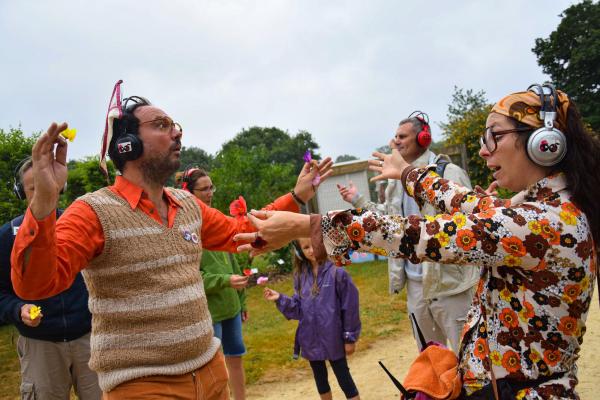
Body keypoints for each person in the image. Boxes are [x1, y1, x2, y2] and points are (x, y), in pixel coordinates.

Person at [234, 84, 600, 398]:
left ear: (543, 144)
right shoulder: (546, 210)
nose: (485, 149)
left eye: (494, 135)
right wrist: (408, 173)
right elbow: (472, 203)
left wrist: (309, 224)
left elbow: (419, 235)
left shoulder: (541, 222)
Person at [10, 83, 332, 399]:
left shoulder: (187, 204)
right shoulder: (93, 211)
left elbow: (240, 230)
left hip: (211, 373)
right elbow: (36, 285)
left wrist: (296, 196)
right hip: (143, 388)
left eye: (175, 125)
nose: (177, 133)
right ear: (127, 144)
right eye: (162, 125)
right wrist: (43, 204)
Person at [337, 111, 478, 354]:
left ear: (423, 139)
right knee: (431, 359)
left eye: (403, 136)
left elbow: (470, 225)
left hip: (450, 286)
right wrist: (358, 200)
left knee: (466, 354)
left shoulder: (448, 173)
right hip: (415, 285)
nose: (396, 142)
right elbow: (391, 221)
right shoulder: (396, 181)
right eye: (395, 136)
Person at [0, 157, 101, 400]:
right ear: (21, 192)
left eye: (47, 183)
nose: (42, 191)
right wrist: (18, 309)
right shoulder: (7, 236)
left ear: (59, 185)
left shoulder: (78, 225)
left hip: (89, 339)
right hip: (40, 346)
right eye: (33, 187)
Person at [177, 167, 250, 400]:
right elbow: (192, 276)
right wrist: (225, 281)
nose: (210, 193)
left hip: (231, 308)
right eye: (204, 189)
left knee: (236, 358)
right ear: (188, 191)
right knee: (213, 369)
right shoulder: (184, 228)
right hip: (208, 312)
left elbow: (232, 263)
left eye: (211, 187)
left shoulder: (217, 221)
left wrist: (242, 301)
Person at [263, 237, 361, 400]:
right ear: (299, 251)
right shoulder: (301, 276)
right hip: (310, 338)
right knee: (320, 379)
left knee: (344, 378)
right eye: (306, 247)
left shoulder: (338, 272)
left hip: (333, 337)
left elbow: (350, 307)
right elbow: (298, 309)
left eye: (314, 245)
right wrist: (279, 298)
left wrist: (349, 338)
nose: (311, 250)